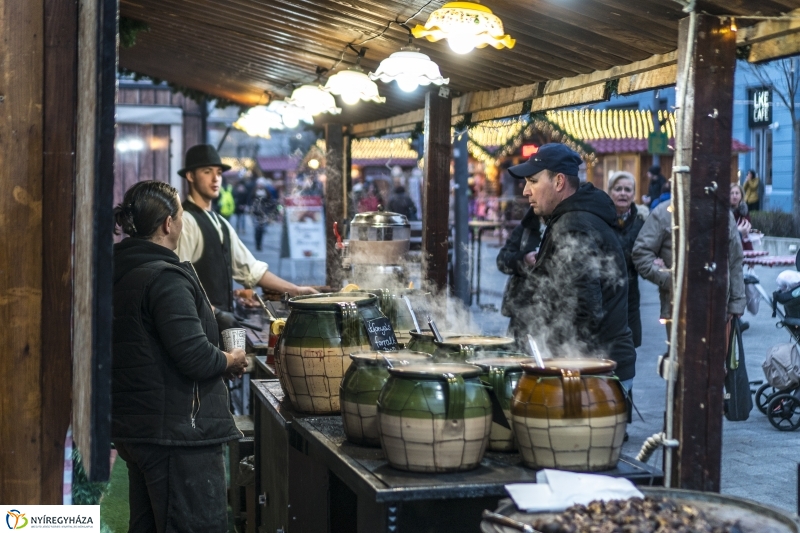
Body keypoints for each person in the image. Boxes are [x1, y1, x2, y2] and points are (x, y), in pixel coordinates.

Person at [112, 180, 248, 533]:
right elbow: (195, 356)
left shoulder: (118, 271)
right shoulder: (165, 278)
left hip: (139, 429)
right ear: (168, 224)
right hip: (177, 434)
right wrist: (230, 360)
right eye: (182, 215)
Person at [507, 143, 636, 388]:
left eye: (533, 181)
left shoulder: (573, 226)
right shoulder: (571, 218)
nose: (526, 191)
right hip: (596, 362)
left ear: (558, 181)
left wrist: (555, 354)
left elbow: (584, 309)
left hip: (594, 368)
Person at [175, 144, 317, 315]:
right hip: (197, 329)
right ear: (190, 176)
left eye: (219, 173)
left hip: (219, 327)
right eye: (207, 172)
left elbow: (251, 270)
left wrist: (295, 290)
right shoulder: (185, 222)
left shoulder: (220, 222)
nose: (215, 179)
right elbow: (178, 285)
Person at [632, 199, 746, 338]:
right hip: (678, 309)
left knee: (715, 358)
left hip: (717, 306)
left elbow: (735, 259)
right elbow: (641, 254)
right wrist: (671, 279)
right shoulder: (664, 212)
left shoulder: (722, 212)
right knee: (682, 358)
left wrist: (736, 302)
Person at [609, 171, 646, 348]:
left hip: (631, 294)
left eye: (627, 189)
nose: (623, 193)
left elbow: (650, 250)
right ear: (610, 192)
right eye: (618, 189)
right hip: (605, 293)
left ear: (633, 194)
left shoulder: (642, 221)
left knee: (629, 347)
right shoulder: (601, 219)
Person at [496, 206, 542, 350]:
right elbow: (502, 260)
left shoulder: (569, 225)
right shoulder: (527, 227)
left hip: (554, 314)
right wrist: (524, 259)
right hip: (522, 310)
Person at [730, 183, 753, 251]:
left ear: (741, 195)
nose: (734, 196)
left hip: (745, 247)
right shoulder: (725, 214)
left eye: (737, 193)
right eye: (732, 193)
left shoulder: (745, 213)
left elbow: (748, 231)